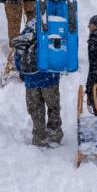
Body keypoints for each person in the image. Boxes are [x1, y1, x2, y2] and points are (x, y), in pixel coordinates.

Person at [12, 19, 63, 147]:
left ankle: (39, 137)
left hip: (31, 80)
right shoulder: (51, 29)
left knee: (36, 110)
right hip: (49, 78)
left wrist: (23, 73)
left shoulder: (27, 31)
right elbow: (58, 53)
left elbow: (18, 54)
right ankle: (54, 134)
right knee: (53, 108)